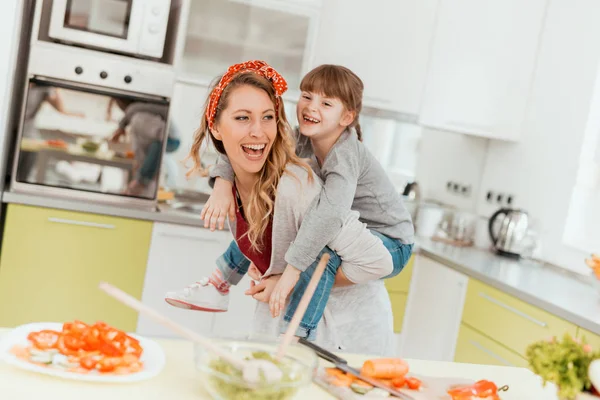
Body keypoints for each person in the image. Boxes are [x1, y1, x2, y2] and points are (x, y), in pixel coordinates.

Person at [165, 60, 394, 347]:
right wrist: (222, 183)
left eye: (268, 117)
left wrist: (291, 276)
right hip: (282, 328)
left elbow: (378, 261)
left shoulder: (300, 186)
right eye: (242, 118)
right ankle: (218, 282)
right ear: (216, 127)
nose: (258, 131)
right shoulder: (242, 176)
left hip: (342, 335)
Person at [108, 98, 180, 196]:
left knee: (157, 144)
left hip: (171, 140)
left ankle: (140, 183)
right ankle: (140, 183)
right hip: (166, 141)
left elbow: (159, 139)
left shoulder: (139, 116)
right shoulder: (139, 114)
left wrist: (141, 180)